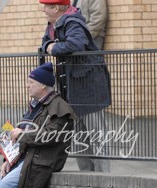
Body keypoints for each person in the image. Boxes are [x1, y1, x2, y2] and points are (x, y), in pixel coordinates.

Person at [40, 0, 111, 172]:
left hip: (88, 89)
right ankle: (87, 177)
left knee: (96, 136)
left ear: (56, 8)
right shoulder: (53, 25)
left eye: (46, 7)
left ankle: (104, 178)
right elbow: (44, 43)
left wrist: (54, 47)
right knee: (80, 137)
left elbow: (75, 44)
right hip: (72, 90)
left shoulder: (73, 22)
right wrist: (50, 46)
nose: (43, 11)